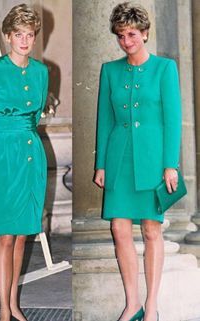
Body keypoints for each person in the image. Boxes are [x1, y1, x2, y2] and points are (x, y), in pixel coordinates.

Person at [94, 2, 181, 321]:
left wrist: (170, 164)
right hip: (118, 160)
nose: (126, 41)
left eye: (131, 34)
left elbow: (173, 120)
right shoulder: (110, 70)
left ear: (144, 33)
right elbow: (105, 119)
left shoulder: (164, 69)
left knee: (151, 230)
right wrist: (100, 164)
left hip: (152, 160)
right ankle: (132, 304)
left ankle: (152, 307)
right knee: (118, 228)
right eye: (120, 35)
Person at [0, 4, 48, 321]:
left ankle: (14, 304)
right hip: (3, 157)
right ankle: (3, 311)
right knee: (5, 234)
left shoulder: (42, 72)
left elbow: (37, 113)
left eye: (30, 35)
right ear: (7, 37)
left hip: (32, 157)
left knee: (21, 234)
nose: (25, 40)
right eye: (19, 34)